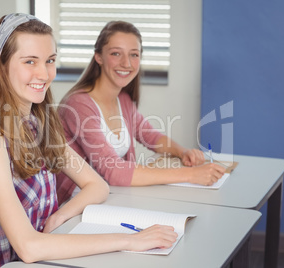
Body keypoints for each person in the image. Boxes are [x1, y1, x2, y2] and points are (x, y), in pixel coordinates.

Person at [0, 14, 178, 267]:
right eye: (30, 61)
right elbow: (29, 248)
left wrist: (59, 216)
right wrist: (130, 239)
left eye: (50, 60)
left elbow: (97, 186)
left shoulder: (37, 125)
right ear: (0, 65)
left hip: (46, 255)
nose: (44, 73)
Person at [57, 21, 226, 204]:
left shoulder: (123, 99)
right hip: (74, 203)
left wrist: (182, 151)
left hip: (111, 197)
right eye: (116, 53)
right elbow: (114, 171)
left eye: (134, 55)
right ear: (98, 56)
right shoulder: (79, 104)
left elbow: (151, 136)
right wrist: (190, 174)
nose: (126, 63)